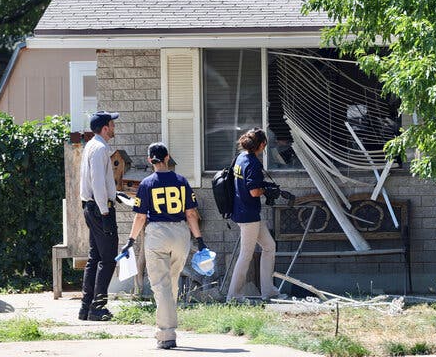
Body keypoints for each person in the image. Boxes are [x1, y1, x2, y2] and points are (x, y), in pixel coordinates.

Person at [121, 142, 207, 350]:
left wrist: (130, 241)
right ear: (167, 157)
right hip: (180, 233)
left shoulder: (146, 184)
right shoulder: (182, 181)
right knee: (172, 282)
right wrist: (200, 241)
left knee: (160, 285)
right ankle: (168, 327)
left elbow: (141, 217)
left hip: (157, 233)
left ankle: (166, 334)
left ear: (151, 160)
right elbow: (191, 214)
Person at [226, 127, 285, 303]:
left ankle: (269, 291)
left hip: (244, 212)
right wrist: (266, 189)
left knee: (269, 247)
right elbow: (253, 191)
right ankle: (234, 296)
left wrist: (264, 186)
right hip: (248, 215)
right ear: (261, 144)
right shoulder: (252, 162)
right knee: (246, 254)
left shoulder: (240, 158)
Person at [78, 110, 120, 321]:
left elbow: (99, 182)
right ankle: (98, 307)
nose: (114, 128)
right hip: (99, 209)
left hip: (91, 206)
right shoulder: (101, 148)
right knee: (108, 258)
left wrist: (114, 195)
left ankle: (86, 307)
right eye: (112, 125)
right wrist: (105, 211)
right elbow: (97, 183)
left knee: (94, 258)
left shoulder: (91, 146)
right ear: (105, 128)